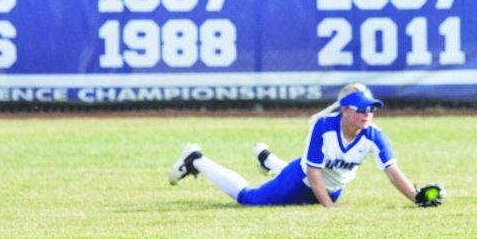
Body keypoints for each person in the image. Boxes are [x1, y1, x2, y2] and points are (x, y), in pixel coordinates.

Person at [168, 84, 424, 208]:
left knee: (306, 175)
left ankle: (267, 159)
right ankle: (196, 159)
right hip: (301, 181)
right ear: (344, 110)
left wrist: (418, 199)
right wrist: (329, 208)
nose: (368, 113)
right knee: (251, 199)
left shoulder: (374, 135)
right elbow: (312, 172)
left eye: (372, 108)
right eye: (361, 108)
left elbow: (392, 171)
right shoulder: (324, 127)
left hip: (331, 187)